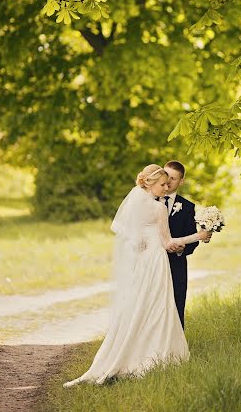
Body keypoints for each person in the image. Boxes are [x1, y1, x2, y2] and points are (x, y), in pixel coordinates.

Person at [63, 164, 211, 386]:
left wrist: (138, 243)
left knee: (139, 309)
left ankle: (130, 353)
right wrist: (198, 235)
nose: (166, 187)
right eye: (163, 183)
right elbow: (168, 243)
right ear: (151, 183)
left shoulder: (135, 202)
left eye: (170, 182)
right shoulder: (159, 208)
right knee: (158, 309)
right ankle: (155, 355)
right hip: (155, 264)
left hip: (139, 266)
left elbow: (122, 230)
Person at [160, 160, 210, 328]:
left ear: (181, 181)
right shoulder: (149, 201)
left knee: (177, 304)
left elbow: (192, 238)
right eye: (166, 176)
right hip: (152, 263)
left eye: (173, 178)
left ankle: (177, 348)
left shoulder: (188, 207)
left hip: (176, 264)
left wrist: (182, 249)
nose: (168, 181)